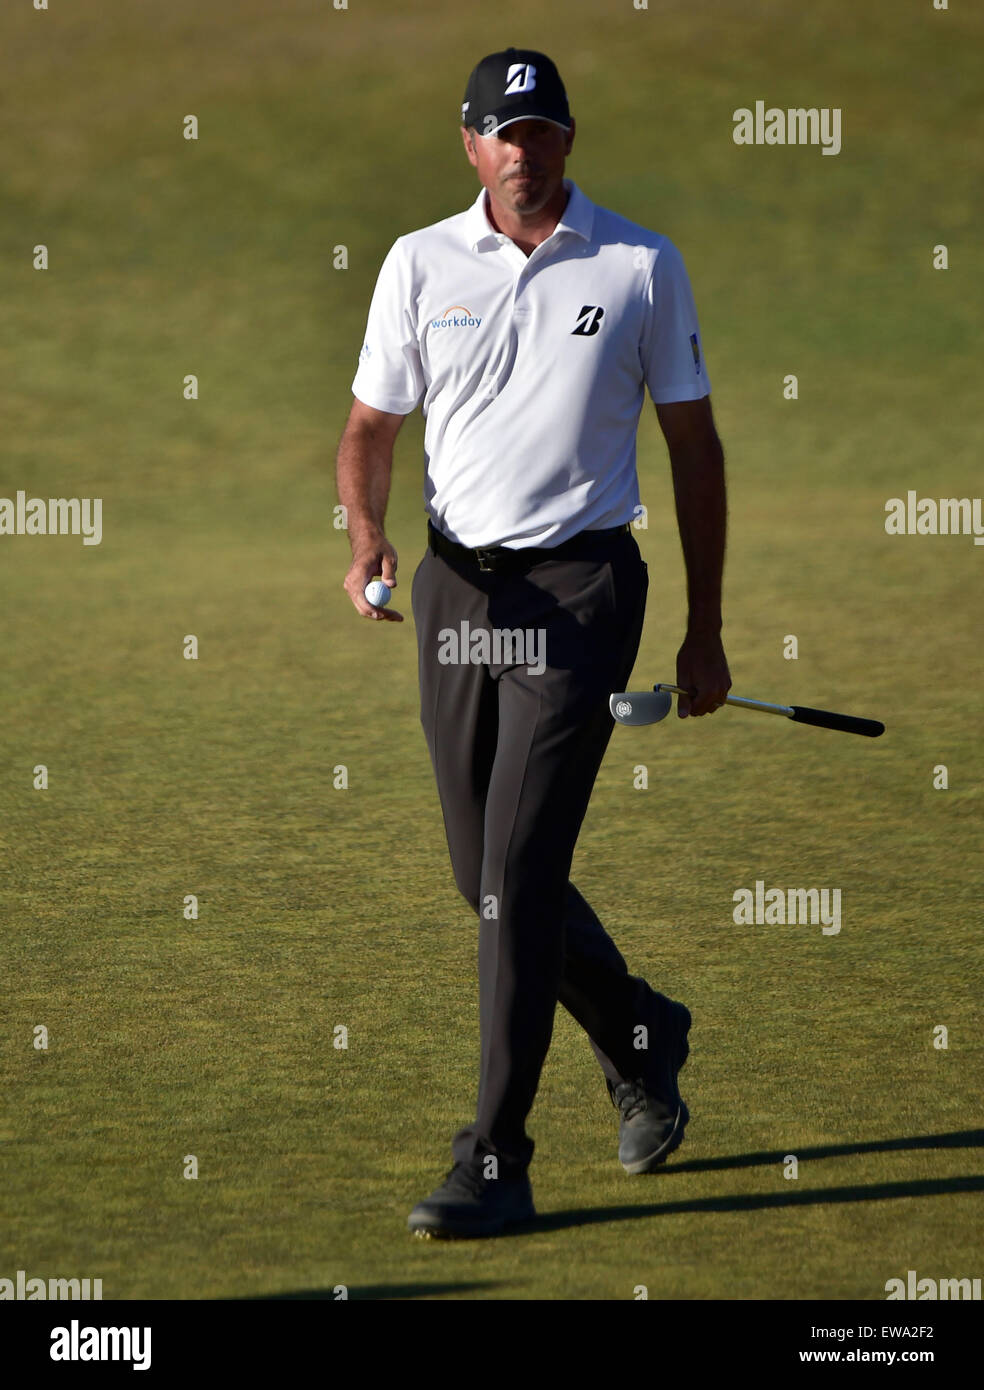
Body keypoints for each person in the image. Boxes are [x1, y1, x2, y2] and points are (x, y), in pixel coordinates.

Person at [336, 46, 731, 1239]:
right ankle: (642, 1029)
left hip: (583, 594)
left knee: (515, 881)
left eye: (543, 128)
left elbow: (694, 450)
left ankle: (496, 1159)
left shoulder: (640, 264)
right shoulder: (418, 263)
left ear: (569, 139)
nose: (523, 148)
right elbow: (369, 423)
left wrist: (705, 627)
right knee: (486, 876)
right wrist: (364, 533)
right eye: (502, 132)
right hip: (460, 595)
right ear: (470, 145)